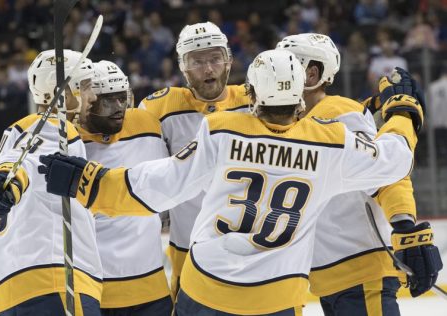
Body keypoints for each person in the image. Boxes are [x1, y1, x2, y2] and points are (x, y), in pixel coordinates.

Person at [39, 49, 421, 315]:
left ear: (251, 93)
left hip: (209, 285)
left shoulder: (223, 130)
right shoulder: (330, 142)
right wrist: (403, 111)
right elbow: (396, 157)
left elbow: (162, 183)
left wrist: (88, 182)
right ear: (300, 99)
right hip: (280, 292)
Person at [276, 33, 443, 315]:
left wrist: (404, 225)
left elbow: (386, 172)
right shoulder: (293, 120)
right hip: (327, 277)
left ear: (311, 73)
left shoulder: (339, 112)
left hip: (359, 273)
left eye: (285, 66)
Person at [0, 49, 103, 316]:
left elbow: (14, 164)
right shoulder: (58, 129)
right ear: (64, 93)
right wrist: (11, 181)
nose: (94, 97)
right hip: (53, 284)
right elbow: (25, 165)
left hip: (2, 295)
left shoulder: (18, 133)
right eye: (87, 86)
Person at [138, 21, 250, 297]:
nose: (208, 69)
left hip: (249, 248)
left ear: (229, 61)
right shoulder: (159, 108)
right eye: (197, 61)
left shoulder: (254, 100)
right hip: (188, 250)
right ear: (182, 67)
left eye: (215, 59)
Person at [79, 60, 172, 315]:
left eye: (122, 98)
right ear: (88, 101)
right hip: (93, 290)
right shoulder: (70, 143)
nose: (119, 108)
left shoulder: (148, 123)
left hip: (152, 287)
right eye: (108, 101)